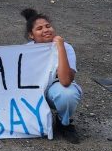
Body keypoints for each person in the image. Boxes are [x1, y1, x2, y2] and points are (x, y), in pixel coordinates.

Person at [20, 8, 81, 139]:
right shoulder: (25, 51)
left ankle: (63, 123)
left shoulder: (66, 47)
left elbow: (65, 81)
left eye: (48, 26)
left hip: (53, 89)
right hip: (33, 92)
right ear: (31, 35)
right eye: (39, 28)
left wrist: (60, 47)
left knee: (67, 93)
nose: (46, 30)